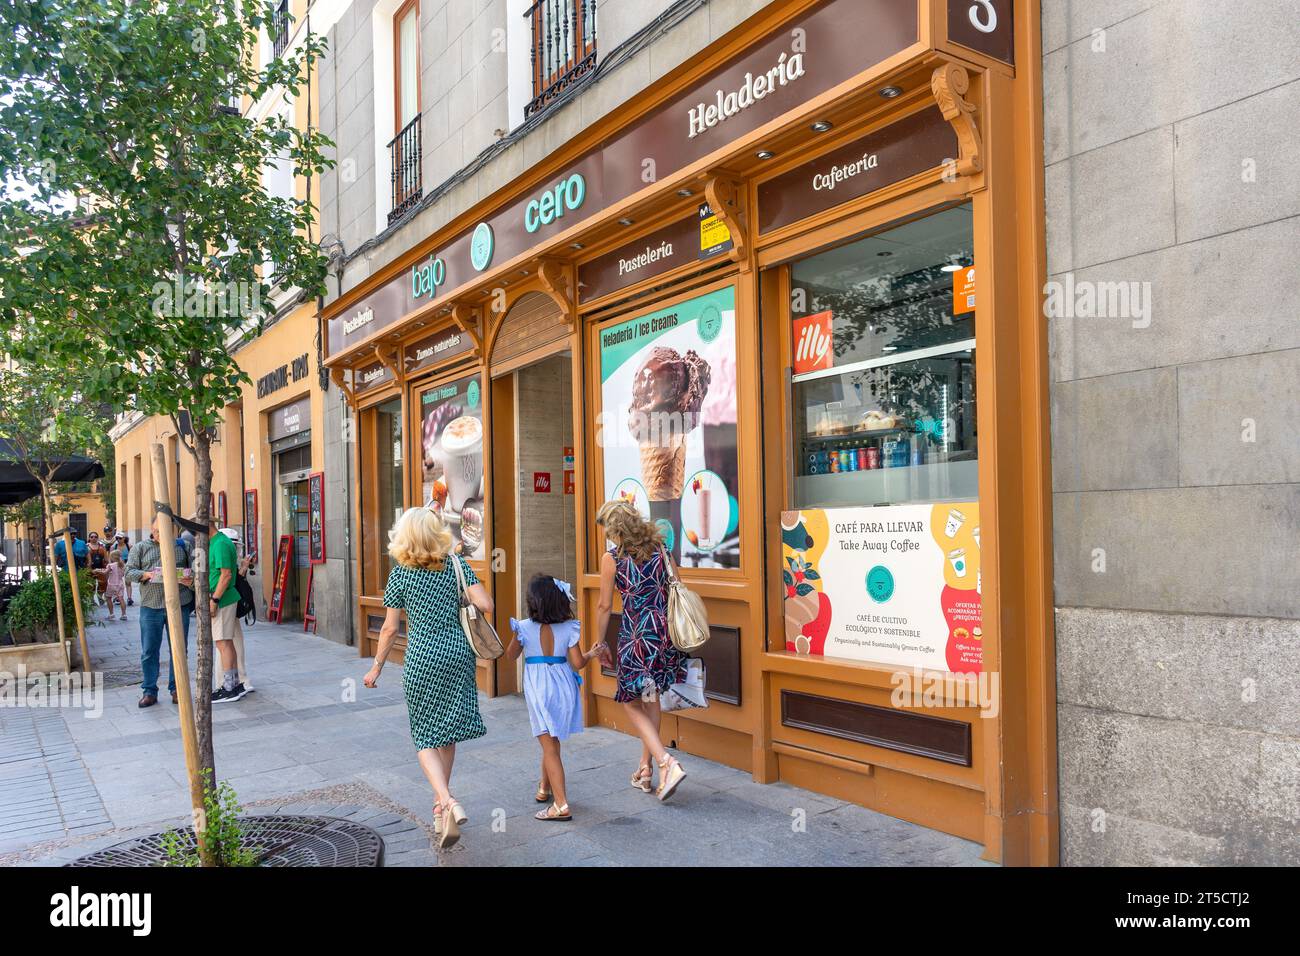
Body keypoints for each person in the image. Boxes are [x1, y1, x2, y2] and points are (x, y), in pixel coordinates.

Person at [363, 507, 493, 849]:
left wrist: (377, 666)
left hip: (422, 657)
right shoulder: (455, 565)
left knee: (424, 736)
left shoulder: (400, 575)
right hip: (457, 654)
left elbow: (390, 628)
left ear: (404, 536)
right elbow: (487, 603)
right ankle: (441, 808)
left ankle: (448, 800)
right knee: (447, 732)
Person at [594, 499, 688, 801]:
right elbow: (679, 585)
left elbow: (605, 605)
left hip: (636, 637)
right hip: (662, 635)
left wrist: (600, 642)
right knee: (650, 700)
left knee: (630, 703)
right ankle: (646, 769)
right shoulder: (661, 549)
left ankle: (666, 762)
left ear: (615, 529)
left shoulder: (612, 559)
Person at [505, 574, 606, 822]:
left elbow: (510, 656)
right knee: (551, 740)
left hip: (539, 689)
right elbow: (578, 663)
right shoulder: (569, 627)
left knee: (549, 745)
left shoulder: (523, 627)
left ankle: (560, 806)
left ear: (533, 602)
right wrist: (592, 653)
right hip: (564, 686)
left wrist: (516, 637)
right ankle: (544, 788)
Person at [125, 518, 195, 707]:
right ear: (152, 529)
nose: (159, 535)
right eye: (156, 532)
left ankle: (176, 689)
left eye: (163, 532)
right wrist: (145, 575)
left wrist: (190, 580)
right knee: (149, 650)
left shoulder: (184, 546)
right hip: (151, 606)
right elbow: (128, 572)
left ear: (172, 531)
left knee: (179, 649)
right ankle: (149, 691)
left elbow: (197, 572)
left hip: (180, 604)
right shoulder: (140, 548)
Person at [204, 514, 247, 703]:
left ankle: (229, 687)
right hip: (224, 597)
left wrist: (214, 599)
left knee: (222, 642)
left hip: (223, 598)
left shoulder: (220, 543)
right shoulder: (218, 541)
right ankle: (234, 684)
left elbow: (226, 575)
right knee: (226, 642)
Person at [103, 550, 128, 621]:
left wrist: (99, 571)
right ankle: (124, 614)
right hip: (120, 584)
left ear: (112, 558)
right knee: (121, 599)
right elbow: (123, 574)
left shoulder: (110, 565)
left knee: (108, 598)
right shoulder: (122, 565)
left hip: (111, 584)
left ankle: (111, 614)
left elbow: (105, 573)